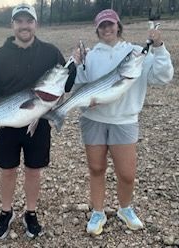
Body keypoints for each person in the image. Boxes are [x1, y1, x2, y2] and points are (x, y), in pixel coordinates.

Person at [72, 9, 173, 235]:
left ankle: (124, 208)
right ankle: (98, 211)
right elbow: (77, 84)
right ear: (97, 30)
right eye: (102, 26)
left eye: (111, 24)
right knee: (96, 168)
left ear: (118, 26)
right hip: (93, 120)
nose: (107, 29)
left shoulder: (136, 53)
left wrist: (159, 47)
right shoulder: (90, 55)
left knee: (127, 173)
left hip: (125, 121)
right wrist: (76, 65)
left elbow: (163, 76)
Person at [0, 3, 75, 239]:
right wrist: (2, 114)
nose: (24, 26)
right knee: (7, 170)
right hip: (7, 123)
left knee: (33, 170)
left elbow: (65, 81)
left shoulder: (50, 52)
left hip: (40, 120)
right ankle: (6, 212)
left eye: (29, 21)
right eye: (20, 21)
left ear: (36, 24)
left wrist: (76, 63)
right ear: (12, 25)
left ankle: (31, 212)